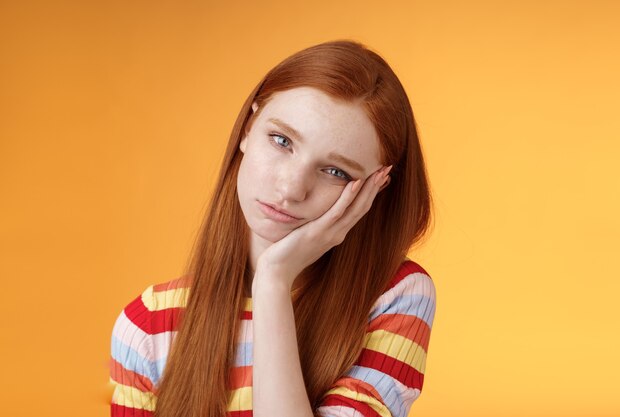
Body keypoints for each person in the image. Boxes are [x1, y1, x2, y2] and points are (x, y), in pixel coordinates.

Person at [109, 39, 437, 417]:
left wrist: (272, 281)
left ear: (374, 189)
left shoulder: (395, 297)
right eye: (281, 141)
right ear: (249, 127)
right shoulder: (149, 324)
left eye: (335, 171)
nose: (291, 188)